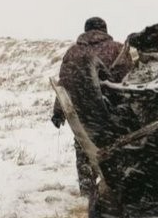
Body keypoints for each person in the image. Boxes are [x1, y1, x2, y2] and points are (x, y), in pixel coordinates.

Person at [51, 17, 133, 195]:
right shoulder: (116, 49)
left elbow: (64, 83)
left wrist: (58, 112)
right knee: (115, 152)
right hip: (111, 114)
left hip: (82, 116)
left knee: (85, 153)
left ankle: (87, 194)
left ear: (85, 30)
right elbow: (128, 81)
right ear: (104, 30)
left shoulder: (73, 52)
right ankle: (116, 191)